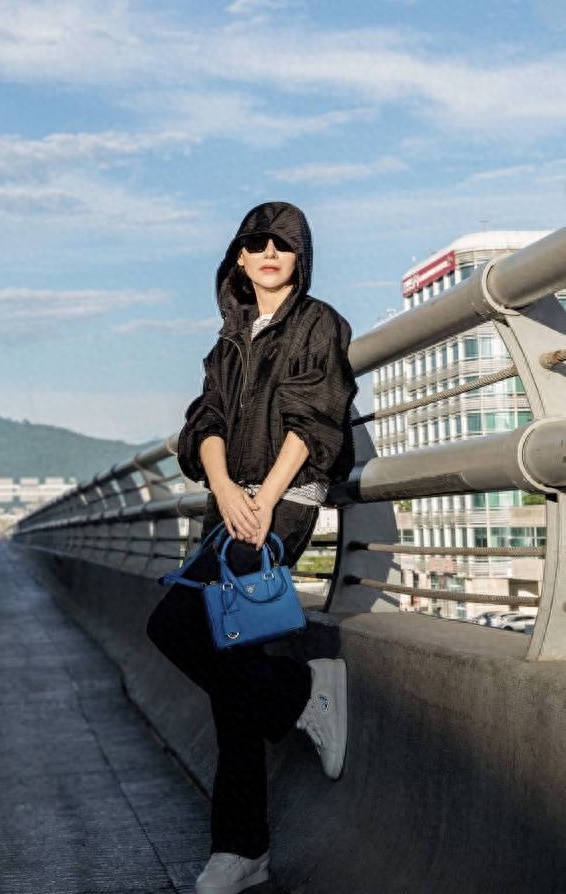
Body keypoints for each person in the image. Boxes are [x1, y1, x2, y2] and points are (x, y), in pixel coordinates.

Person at [147, 201, 357, 894]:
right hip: (229, 506)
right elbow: (204, 423)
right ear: (239, 257)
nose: (270, 252)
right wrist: (224, 490)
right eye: (258, 243)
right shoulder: (228, 339)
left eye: (284, 244)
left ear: (300, 257)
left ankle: (301, 697)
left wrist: (263, 500)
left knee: (181, 629)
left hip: (281, 504)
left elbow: (313, 420)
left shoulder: (318, 323)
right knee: (220, 659)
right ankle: (245, 846)